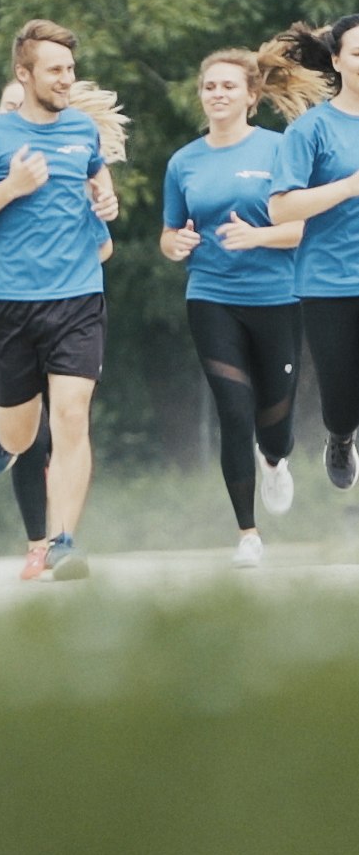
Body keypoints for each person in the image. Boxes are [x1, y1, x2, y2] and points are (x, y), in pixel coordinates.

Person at [0, 20, 119, 580]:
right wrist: (10, 188)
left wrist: (105, 198)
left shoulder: (84, 132)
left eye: (70, 69)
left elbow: (95, 181)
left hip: (77, 298)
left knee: (71, 417)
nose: (67, 79)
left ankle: (64, 540)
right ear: (24, 75)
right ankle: (2, 434)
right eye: (55, 70)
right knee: (23, 433)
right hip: (9, 306)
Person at [160, 46, 325, 567]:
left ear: (252, 96)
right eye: (209, 86)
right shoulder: (183, 161)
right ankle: (248, 534)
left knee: (273, 425)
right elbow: (169, 234)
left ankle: (274, 459)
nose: (217, 94)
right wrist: (176, 245)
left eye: (229, 86)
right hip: (211, 297)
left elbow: (302, 228)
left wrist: (257, 238)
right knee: (233, 409)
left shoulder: (280, 151)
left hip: (278, 297)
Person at [267, 15, 359, 492]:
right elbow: (281, 209)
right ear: (338, 60)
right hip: (331, 281)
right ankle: (341, 436)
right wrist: (349, 186)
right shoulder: (312, 130)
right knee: (343, 397)